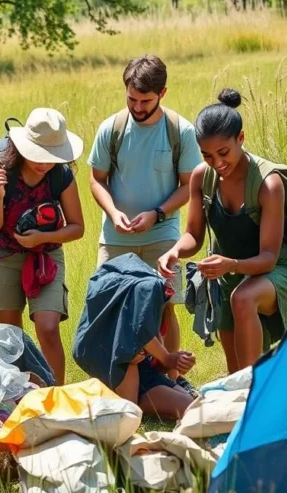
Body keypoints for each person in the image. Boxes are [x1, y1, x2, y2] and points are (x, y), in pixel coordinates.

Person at [157, 88, 287, 374]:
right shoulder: (201, 176)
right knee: (236, 370)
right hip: (226, 276)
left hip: (271, 270)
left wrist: (230, 265)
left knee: (243, 298)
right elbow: (193, 236)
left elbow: (269, 257)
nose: (217, 163)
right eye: (207, 155)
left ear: (241, 138)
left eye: (224, 152)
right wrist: (173, 251)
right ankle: (246, 396)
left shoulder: (268, 183)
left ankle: (254, 400)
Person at [87, 55, 201, 386]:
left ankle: (172, 380)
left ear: (162, 93)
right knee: (109, 306)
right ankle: (114, 382)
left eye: (145, 101)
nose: (137, 107)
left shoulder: (180, 131)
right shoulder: (112, 128)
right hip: (116, 237)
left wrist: (158, 213)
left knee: (166, 307)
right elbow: (97, 179)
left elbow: (188, 186)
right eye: (131, 99)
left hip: (163, 235)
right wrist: (113, 212)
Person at [0, 108, 85, 386]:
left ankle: (55, 396)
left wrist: (39, 238)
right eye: (39, 154)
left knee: (48, 327)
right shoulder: (1, 167)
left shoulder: (61, 176)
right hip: (3, 255)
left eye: (52, 156)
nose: (44, 163)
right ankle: (17, 397)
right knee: (9, 336)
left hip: (45, 257)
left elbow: (77, 228)